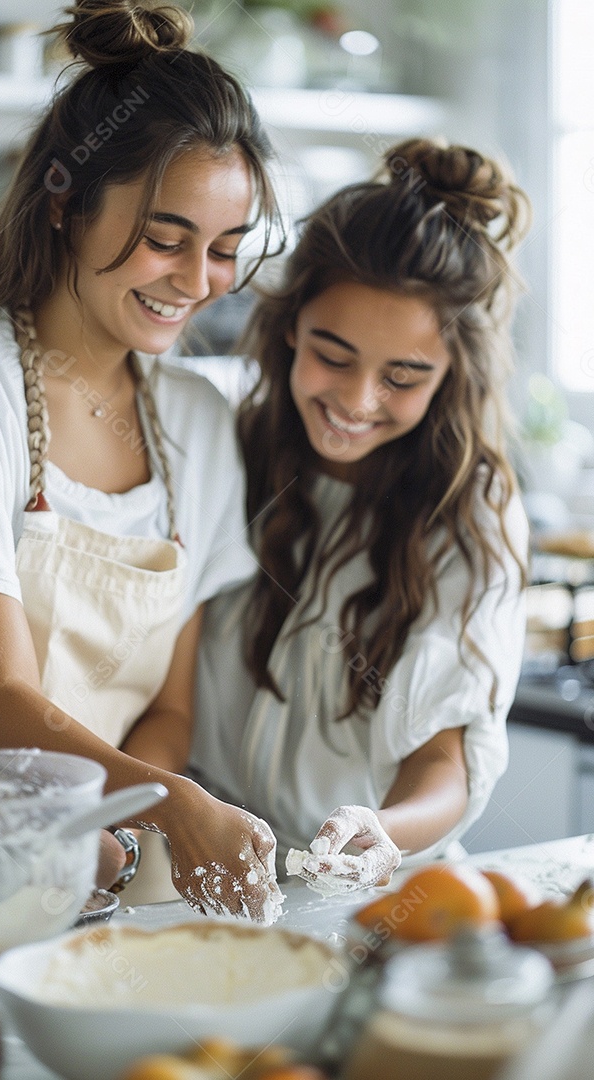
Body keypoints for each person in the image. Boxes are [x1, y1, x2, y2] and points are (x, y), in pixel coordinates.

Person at [0, 0, 286, 923]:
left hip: (93, 883)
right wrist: (171, 806)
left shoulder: (195, 424)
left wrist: (124, 833)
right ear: (66, 203)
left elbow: (168, 710)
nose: (197, 281)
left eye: (225, 250)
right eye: (165, 238)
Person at [191, 138, 531, 892]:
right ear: (289, 325)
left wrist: (380, 831)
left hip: (371, 889)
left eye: (403, 377)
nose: (356, 400)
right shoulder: (226, 448)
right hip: (206, 871)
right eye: (334, 355)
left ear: (450, 376)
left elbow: (443, 758)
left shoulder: (470, 511)